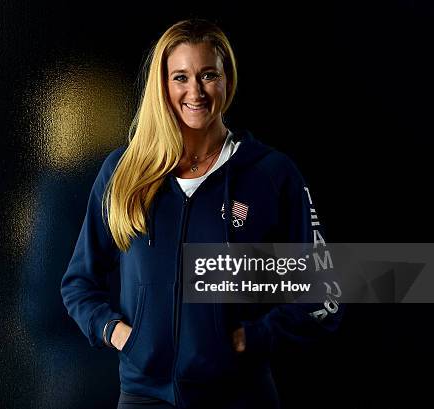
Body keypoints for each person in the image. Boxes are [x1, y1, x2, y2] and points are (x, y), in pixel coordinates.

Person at [60, 18, 342, 409]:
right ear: (163, 86)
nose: (195, 91)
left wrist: (252, 338)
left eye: (208, 75)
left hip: (239, 396)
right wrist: (121, 333)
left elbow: (324, 294)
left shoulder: (272, 174)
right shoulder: (124, 173)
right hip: (144, 397)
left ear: (228, 80)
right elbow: (78, 283)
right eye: (180, 77)